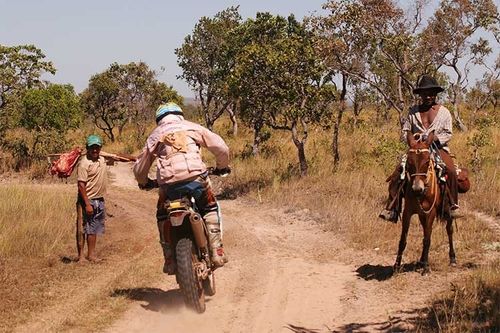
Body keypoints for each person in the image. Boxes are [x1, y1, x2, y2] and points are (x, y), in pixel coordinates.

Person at [133, 102, 230, 274]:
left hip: (169, 186)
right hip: (196, 179)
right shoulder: (192, 127)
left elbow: (140, 167)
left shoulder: (155, 136)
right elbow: (221, 148)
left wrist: (144, 182)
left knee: (162, 215)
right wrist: (222, 166)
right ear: (180, 114)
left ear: (159, 119)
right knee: (209, 207)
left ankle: (169, 258)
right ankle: (216, 251)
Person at [379, 75, 461, 222]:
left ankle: (453, 205)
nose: (428, 96)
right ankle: (391, 208)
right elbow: (405, 131)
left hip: (437, 148)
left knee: (451, 171)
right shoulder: (413, 112)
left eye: (431, 93)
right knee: (398, 173)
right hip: (416, 150)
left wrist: (434, 138)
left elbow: (448, 133)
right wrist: (413, 140)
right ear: (420, 95)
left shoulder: (444, 112)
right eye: (425, 93)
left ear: (436, 94)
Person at [76, 134, 108, 262]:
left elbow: (118, 158)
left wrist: (135, 159)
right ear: (87, 148)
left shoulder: (102, 159)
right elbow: (81, 185)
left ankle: (90, 254)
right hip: (89, 199)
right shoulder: (84, 164)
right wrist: (87, 203)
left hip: (99, 199)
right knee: (88, 227)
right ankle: (85, 256)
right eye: (92, 147)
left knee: (93, 228)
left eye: (97, 147)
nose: (95, 150)